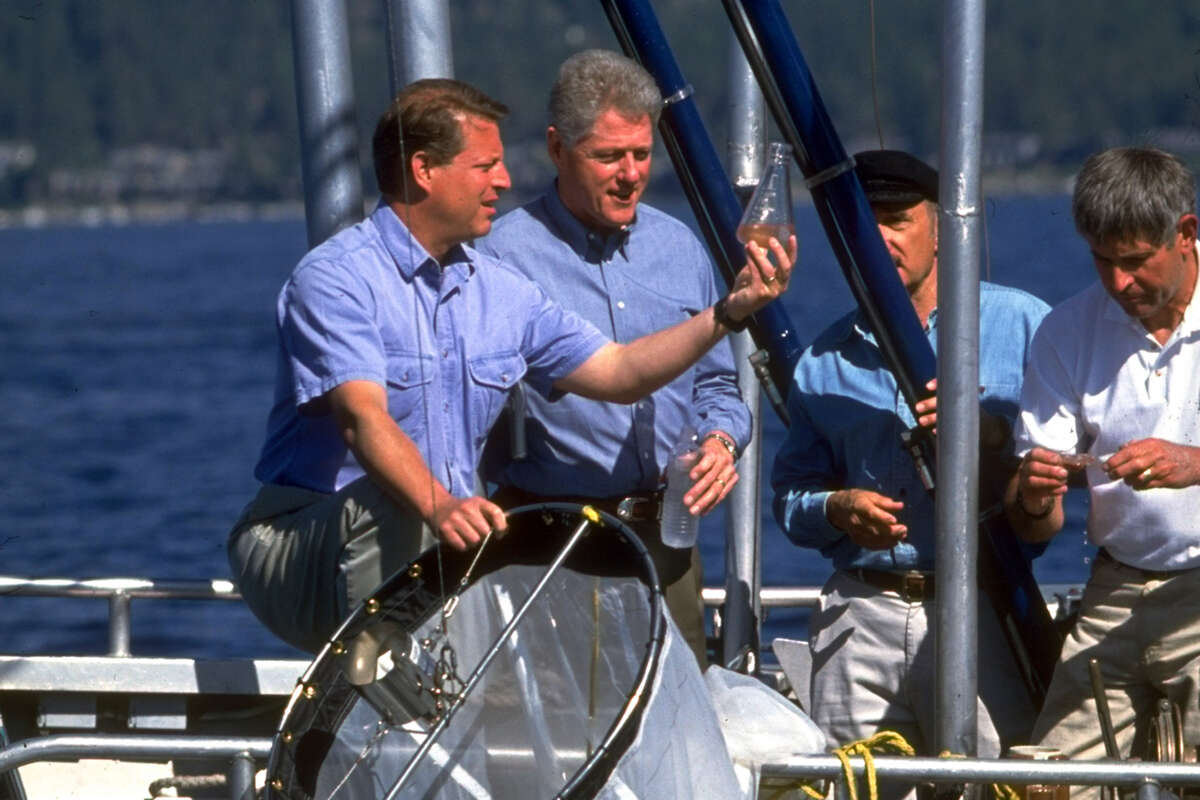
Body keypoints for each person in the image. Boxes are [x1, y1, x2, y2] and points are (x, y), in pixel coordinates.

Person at [227, 78, 794, 654]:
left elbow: (620, 373)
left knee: (456, 543)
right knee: (402, 502)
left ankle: (425, 685)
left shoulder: (499, 292)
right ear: (424, 170)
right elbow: (362, 421)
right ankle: (382, 695)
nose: (504, 181)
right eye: (486, 166)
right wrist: (443, 504)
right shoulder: (336, 278)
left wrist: (728, 312)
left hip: (435, 545)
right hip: (303, 540)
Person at [770, 150, 1050, 775]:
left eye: (896, 221)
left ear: (941, 228)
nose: (879, 242)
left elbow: (1059, 457)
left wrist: (987, 432)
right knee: (853, 783)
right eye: (864, 228)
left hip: (983, 605)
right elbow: (790, 499)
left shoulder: (1024, 325)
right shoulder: (822, 361)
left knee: (995, 781)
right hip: (860, 615)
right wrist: (837, 509)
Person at [476, 49, 750, 668]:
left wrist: (721, 442)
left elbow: (717, 388)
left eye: (642, 155)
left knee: (677, 729)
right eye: (608, 157)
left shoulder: (679, 248)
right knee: (549, 730)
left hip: (665, 543)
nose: (630, 174)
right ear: (556, 148)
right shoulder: (501, 259)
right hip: (546, 541)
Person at [1006, 146, 1200, 794]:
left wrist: (1194, 464)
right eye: (1102, 261)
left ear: (1187, 234)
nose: (1118, 284)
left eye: (1136, 260)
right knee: (1049, 783)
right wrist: (1035, 496)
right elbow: (1038, 526)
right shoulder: (1067, 330)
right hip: (1115, 587)